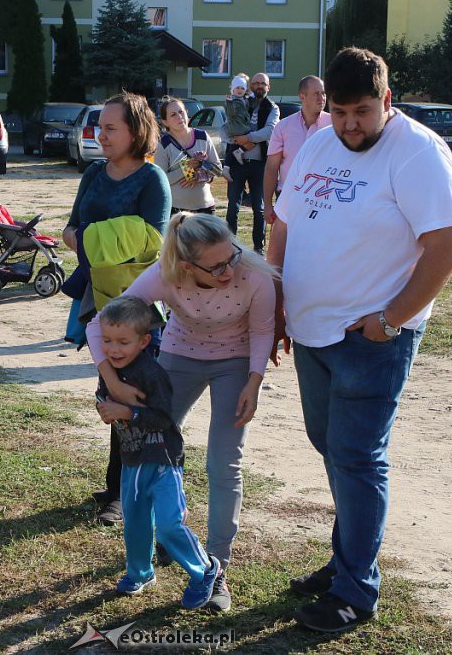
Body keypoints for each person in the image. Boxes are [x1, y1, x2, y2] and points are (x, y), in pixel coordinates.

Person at [267, 47, 452, 633]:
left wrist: (391, 319)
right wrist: (277, 302)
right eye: (340, 111)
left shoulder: (419, 153)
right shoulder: (321, 144)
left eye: (362, 111)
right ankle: (345, 559)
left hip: (372, 338)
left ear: (386, 100)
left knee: (357, 457)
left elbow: (447, 248)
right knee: (331, 446)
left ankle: (355, 590)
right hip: (311, 332)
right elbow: (284, 225)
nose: (350, 124)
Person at [87, 212, 276, 612]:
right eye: (218, 265)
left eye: (233, 256)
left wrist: (253, 383)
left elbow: (262, 331)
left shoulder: (254, 276)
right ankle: (168, 533)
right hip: (179, 357)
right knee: (155, 445)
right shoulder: (165, 273)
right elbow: (98, 324)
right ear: (188, 266)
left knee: (224, 464)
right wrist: (114, 381)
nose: (230, 269)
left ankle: (216, 566)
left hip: (236, 361)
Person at [62, 91, 172, 525]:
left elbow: (151, 245)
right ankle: (117, 486)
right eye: (99, 126)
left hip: (139, 309)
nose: (100, 135)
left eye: (110, 127)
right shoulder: (92, 173)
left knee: (133, 397)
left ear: (136, 131)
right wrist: (99, 242)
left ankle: (125, 495)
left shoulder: (151, 180)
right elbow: (72, 231)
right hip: (98, 301)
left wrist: (94, 240)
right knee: (110, 391)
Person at [91, 296, 221, 609]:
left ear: (144, 340)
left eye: (123, 342)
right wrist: (105, 408)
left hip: (163, 459)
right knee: (135, 522)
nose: (114, 349)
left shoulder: (152, 374)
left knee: (169, 524)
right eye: (107, 341)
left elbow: (164, 418)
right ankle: (140, 573)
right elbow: (102, 396)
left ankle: (205, 570)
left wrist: (128, 412)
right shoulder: (109, 369)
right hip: (132, 460)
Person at [263, 75, 331, 224]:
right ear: (302, 96)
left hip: (323, 200)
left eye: (323, 93)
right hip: (288, 198)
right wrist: (267, 205)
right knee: (286, 245)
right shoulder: (283, 127)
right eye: (316, 93)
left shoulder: (334, 126)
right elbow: (271, 168)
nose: (322, 98)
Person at [224, 72, 279, 255]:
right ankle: (230, 246)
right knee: (232, 206)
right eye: (255, 83)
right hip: (237, 162)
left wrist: (247, 139)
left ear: (268, 87)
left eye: (262, 83)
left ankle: (258, 248)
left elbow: (270, 131)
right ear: (250, 87)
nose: (258, 86)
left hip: (259, 164)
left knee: (259, 207)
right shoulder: (240, 102)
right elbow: (226, 127)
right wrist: (237, 140)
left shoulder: (272, 108)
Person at [153, 96, 222, 215]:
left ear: (187, 114)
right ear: (165, 121)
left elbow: (218, 170)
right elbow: (161, 180)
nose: (179, 117)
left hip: (205, 207)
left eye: (181, 112)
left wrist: (199, 175)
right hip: (177, 211)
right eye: (173, 115)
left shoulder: (202, 136)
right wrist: (186, 168)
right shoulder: (163, 144)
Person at [224, 73, 251, 166]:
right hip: (237, 126)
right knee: (251, 136)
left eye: (242, 88)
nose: (240, 90)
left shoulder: (244, 99)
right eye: (238, 88)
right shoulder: (233, 100)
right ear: (233, 90)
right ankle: (237, 155)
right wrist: (229, 103)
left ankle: (236, 157)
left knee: (235, 145)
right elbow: (230, 113)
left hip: (238, 125)